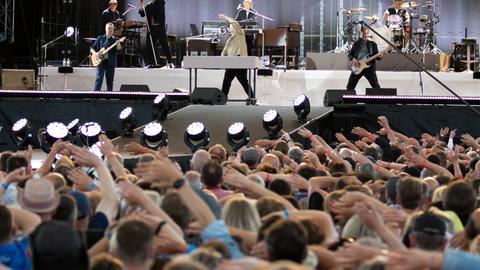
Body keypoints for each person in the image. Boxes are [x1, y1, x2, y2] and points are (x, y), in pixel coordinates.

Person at [218, 14, 253, 105]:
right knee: (226, 81)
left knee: (244, 82)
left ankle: (252, 98)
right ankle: (222, 98)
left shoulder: (240, 33)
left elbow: (235, 23)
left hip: (239, 62)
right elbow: (224, 51)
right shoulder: (229, 39)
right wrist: (222, 57)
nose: (231, 28)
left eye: (232, 27)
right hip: (231, 63)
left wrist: (225, 17)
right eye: (230, 27)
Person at [139, 0, 174, 68]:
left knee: (165, 45)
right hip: (151, 29)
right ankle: (150, 63)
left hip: (160, 28)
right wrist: (141, 6)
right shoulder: (149, 5)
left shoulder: (160, 2)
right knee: (149, 46)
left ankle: (170, 62)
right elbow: (142, 14)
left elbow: (160, 14)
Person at [346, 27, 383, 91]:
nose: (365, 35)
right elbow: (350, 55)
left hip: (369, 68)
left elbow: (376, 56)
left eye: (366, 33)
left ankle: (379, 100)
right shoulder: (356, 44)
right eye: (364, 33)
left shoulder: (373, 44)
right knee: (350, 87)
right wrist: (353, 59)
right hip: (357, 67)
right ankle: (349, 100)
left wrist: (380, 57)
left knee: (376, 86)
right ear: (360, 33)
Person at [91, 22, 122, 91]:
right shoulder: (100, 38)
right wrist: (96, 54)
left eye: (112, 28)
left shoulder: (115, 39)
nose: (110, 30)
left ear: (113, 29)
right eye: (109, 28)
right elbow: (92, 48)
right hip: (100, 62)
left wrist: (118, 45)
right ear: (105, 29)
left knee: (110, 81)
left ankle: (109, 97)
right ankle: (95, 96)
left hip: (110, 63)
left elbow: (119, 51)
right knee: (99, 79)